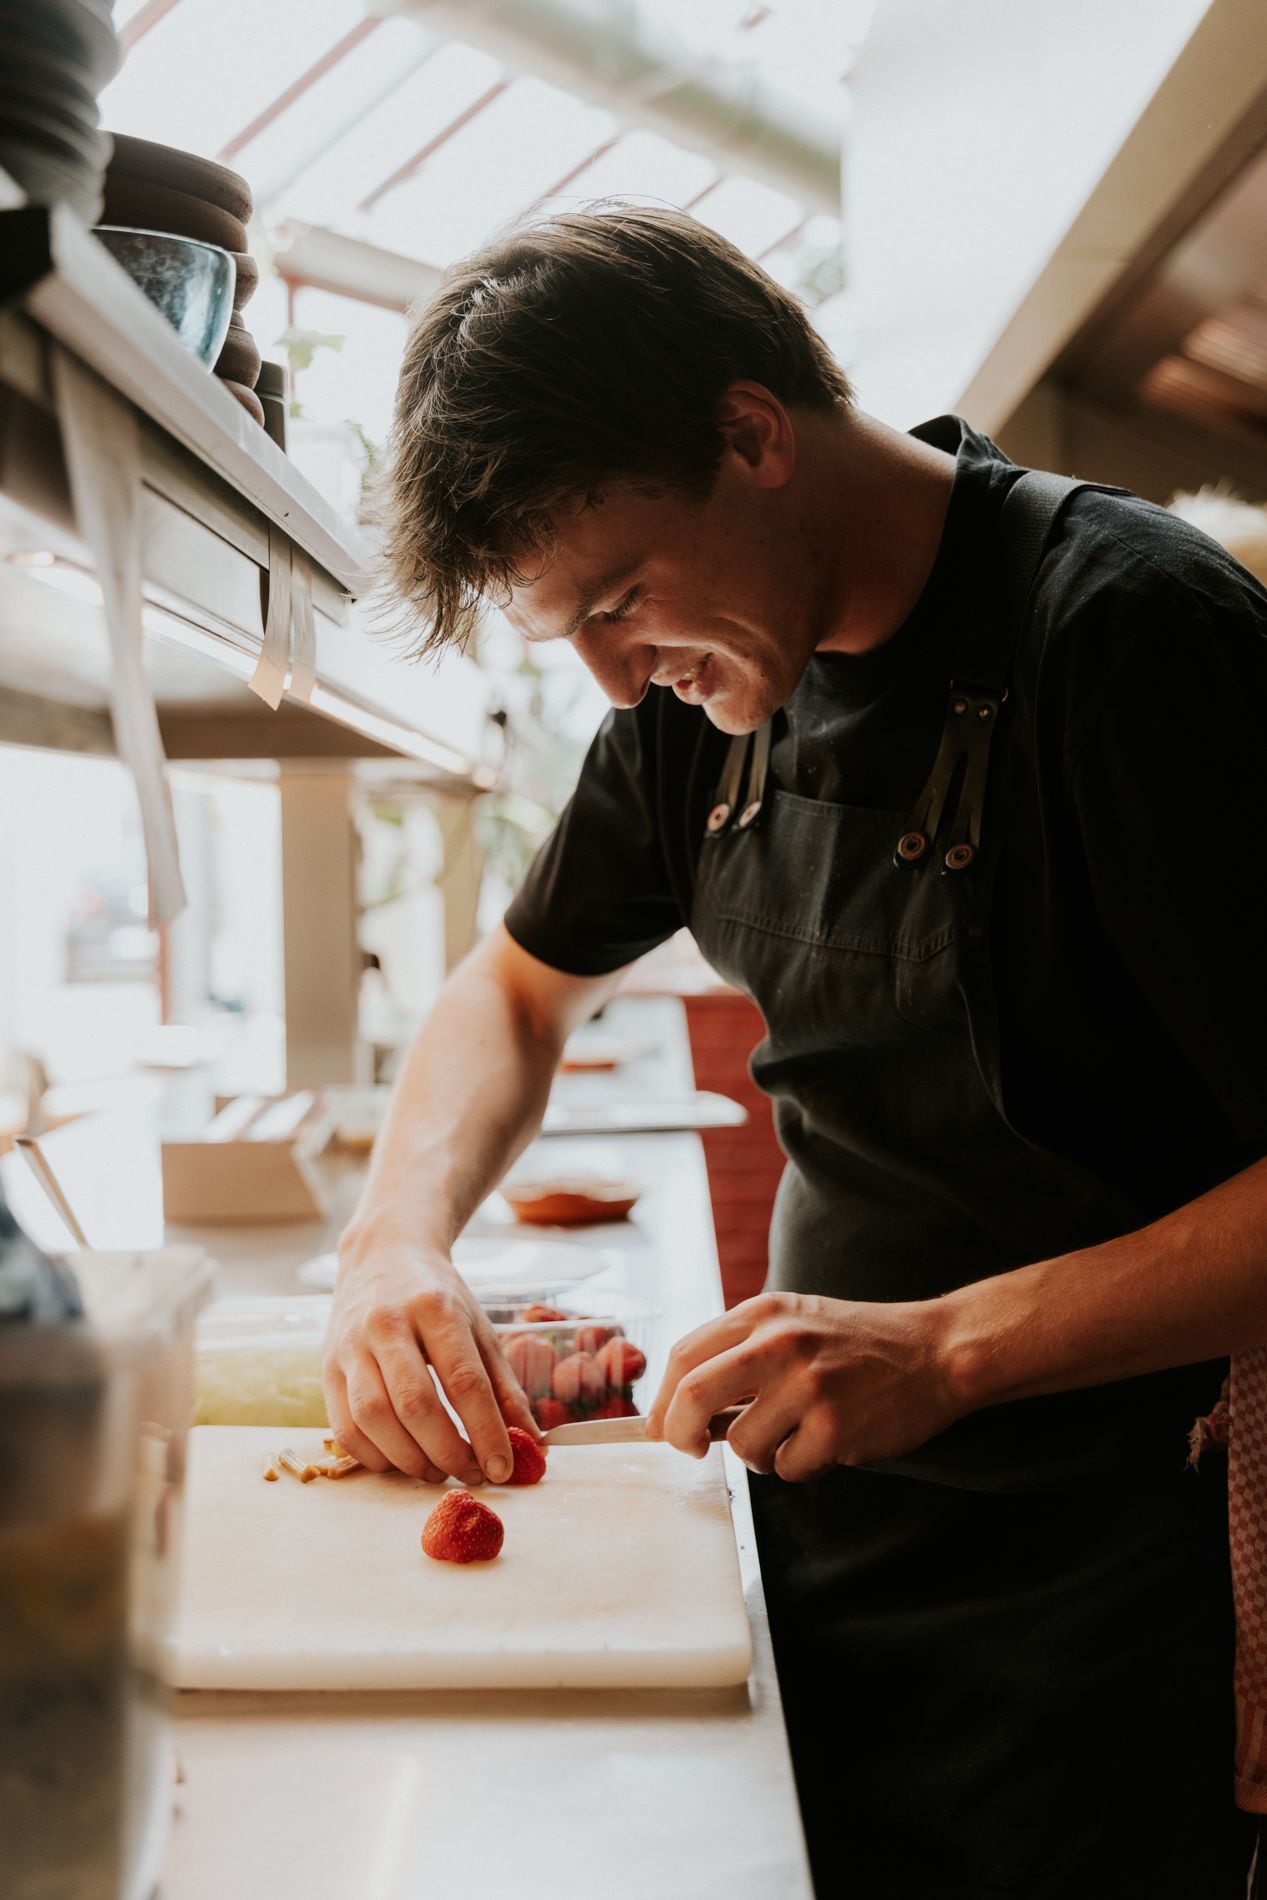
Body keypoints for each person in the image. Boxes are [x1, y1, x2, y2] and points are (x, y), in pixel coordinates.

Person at [324, 203, 1267, 1897]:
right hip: (831, 1522)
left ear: (753, 434)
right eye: (573, 637)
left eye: (620, 601)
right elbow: (513, 991)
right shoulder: (700, 701)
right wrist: (394, 1237)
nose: (619, 680)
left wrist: (951, 1351)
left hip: (1122, 1575)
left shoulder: (1135, 638)